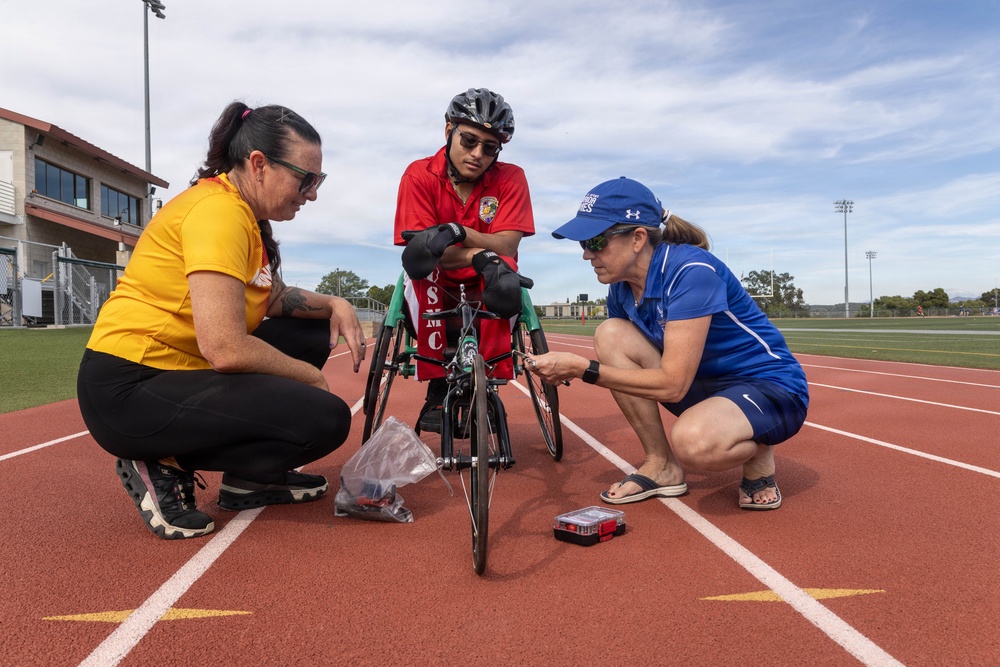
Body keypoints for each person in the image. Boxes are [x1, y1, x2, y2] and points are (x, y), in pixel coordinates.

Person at [77, 101, 366, 540]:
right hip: (128, 388)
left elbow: (274, 299)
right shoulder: (219, 213)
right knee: (326, 418)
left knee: (310, 329)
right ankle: (160, 459)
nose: (312, 193)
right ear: (259, 165)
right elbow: (226, 348)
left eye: (318, 180)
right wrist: (309, 378)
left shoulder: (244, 216)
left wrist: (335, 302)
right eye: (306, 179)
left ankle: (251, 477)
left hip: (174, 373)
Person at [527, 177, 809, 510]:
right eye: (583, 244)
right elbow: (642, 366)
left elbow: (673, 386)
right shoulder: (620, 287)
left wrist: (580, 367)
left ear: (637, 238)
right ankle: (661, 464)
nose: (587, 254)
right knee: (609, 333)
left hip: (769, 388)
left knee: (694, 443)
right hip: (702, 385)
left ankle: (760, 451)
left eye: (596, 240)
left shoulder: (691, 271)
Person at [393, 88, 534, 432]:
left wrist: (456, 232)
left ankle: (490, 381)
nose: (477, 154)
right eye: (469, 140)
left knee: (505, 272)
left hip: (489, 279)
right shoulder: (418, 175)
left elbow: (509, 245)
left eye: (490, 148)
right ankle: (437, 386)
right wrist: (482, 252)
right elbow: (424, 252)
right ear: (448, 131)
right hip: (435, 278)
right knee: (423, 272)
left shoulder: (511, 177)